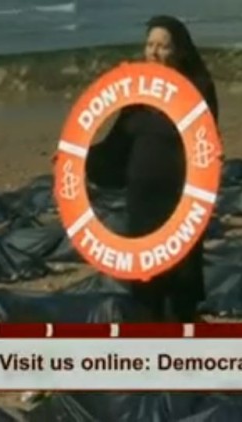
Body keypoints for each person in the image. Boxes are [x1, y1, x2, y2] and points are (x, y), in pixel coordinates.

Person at [85, 15, 219, 322]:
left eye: (163, 46)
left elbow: (205, 144)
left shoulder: (197, 89)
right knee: (146, 286)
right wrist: (78, 158)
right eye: (150, 45)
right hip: (141, 204)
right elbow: (117, 145)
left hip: (181, 202)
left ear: (180, 51)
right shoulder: (134, 93)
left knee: (181, 286)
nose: (154, 52)